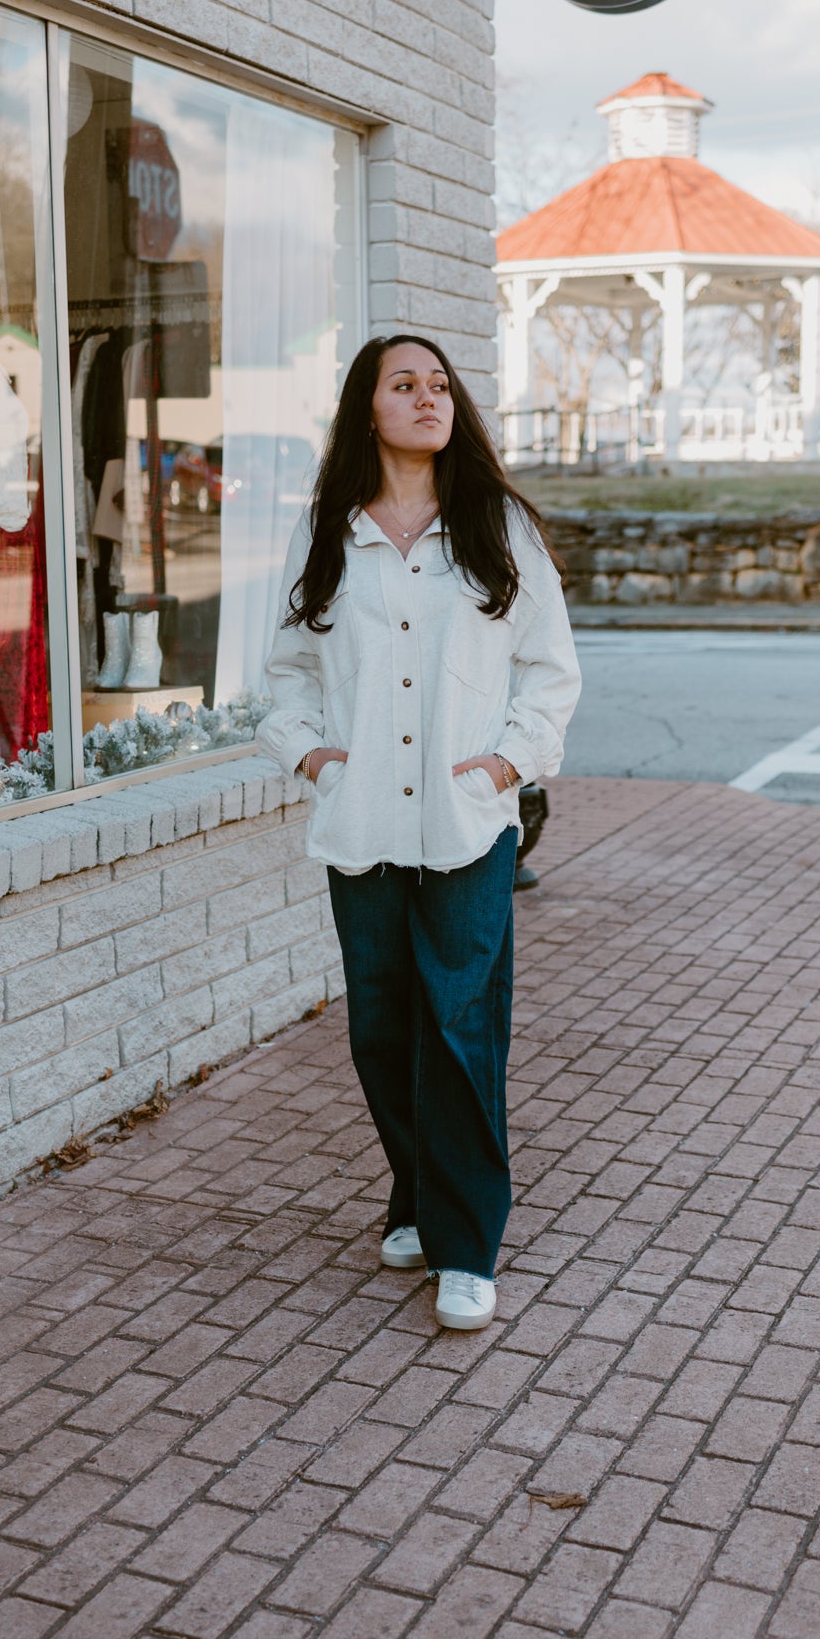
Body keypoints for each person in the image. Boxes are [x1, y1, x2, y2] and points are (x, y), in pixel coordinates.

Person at [258, 334, 581, 1330]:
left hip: (463, 821)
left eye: (439, 385)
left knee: (458, 1023)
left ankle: (466, 1239)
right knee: (381, 1027)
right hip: (361, 818)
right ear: (369, 408)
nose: (428, 398)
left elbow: (549, 668)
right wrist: (313, 756)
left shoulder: (497, 526)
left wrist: (506, 764)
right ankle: (414, 1193)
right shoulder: (328, 533)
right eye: (405, 385)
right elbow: (285, 676)